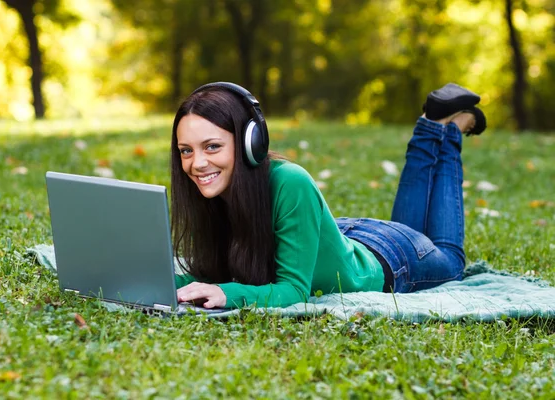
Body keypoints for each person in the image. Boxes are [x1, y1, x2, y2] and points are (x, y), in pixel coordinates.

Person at [171, 82, 486, 310]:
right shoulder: (207, 192)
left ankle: (448, 130)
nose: (197, 163)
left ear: (250, 143)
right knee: (416, 234)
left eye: (212, 146)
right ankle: (432, 127)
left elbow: (294, 291)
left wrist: (228, 294)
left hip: (390, 261)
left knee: (451, 260)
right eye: (187, 150)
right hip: (347, 237)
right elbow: (207, 276)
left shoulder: (289, 182)